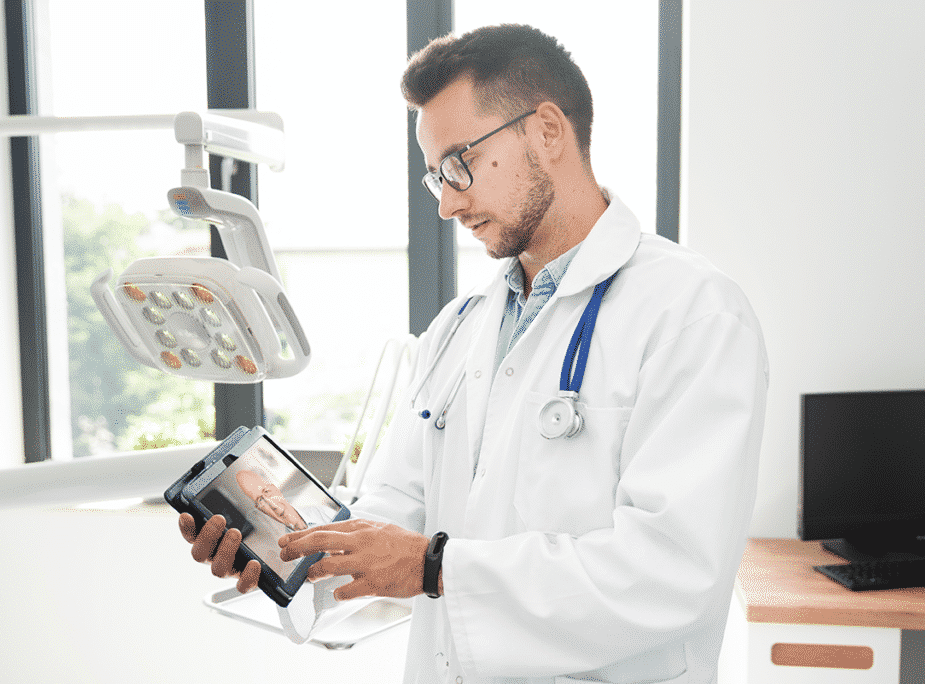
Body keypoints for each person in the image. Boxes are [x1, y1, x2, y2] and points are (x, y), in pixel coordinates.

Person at [179, 23, 768, 684]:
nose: (449, 204)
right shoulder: (458, 329)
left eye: (459, 163)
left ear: (546, 130)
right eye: (437, 179)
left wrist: (437, 566)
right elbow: (394, 517)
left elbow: (673, 572)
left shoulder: (691, 312)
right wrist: (284, 551)